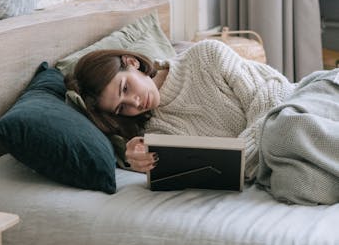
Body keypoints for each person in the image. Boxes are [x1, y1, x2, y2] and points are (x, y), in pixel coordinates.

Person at [65, 40, 339, 204]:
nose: (134, 104)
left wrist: (241, 153)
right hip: (278, 155)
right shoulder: (155, 131)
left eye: (125, 89)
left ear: (131, 62)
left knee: (283, 129)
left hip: (312, 100)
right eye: (121, 108)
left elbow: (271, 96)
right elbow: (208, 168)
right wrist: (137, 163)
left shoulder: (205, 56)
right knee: (295, 187)